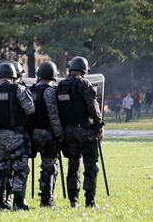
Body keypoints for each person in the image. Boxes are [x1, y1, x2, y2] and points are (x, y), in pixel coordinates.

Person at [0, 61, 35, 210]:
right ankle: (19, 202)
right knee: (21, 168)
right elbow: (30, 109)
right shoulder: (18, 89)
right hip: (15, 136)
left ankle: (0, 201)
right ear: (13, 75)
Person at [57, 56, 104, 208]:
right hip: (85, 130)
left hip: (68, 132)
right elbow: (93, 107)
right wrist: (99, 127)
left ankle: (73, 201)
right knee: (91, 166)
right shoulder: (84, 84)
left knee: (73, 165)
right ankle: (90, 201)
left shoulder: (61, 85)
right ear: (83, 70)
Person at [29, 61, 63, 207]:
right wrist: (59, 134)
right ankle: (46, 200)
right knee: (50, 166)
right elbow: (53, 115)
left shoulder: (32, 90)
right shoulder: (49, 91)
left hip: (32, 133)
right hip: (47, 134)